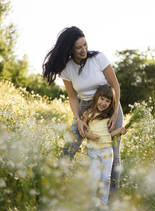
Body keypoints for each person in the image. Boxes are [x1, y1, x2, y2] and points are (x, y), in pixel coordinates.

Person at [42, 26, 123, 192]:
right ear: (70, 49)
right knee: (69, 147)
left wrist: (114, 113)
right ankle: (53, 190)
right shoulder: (67, 69)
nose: (83, 50)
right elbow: (72, 97)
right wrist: (78, 119)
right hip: (86, 107)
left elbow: (115, 85)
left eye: (85, 44)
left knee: (113, 152)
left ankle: (112, 200)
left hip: (109, 105)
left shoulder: (99, 58)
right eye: (78, 47)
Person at [81, 84, 126, 204]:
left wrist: (119, 130)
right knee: (94, 177)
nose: (103, 103)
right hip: (93, 151)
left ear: (111, 104)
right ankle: (90, 204)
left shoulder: (108, 117)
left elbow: (109, 135)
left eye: (107, 101)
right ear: (96, 98)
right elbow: (83, 131)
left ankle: (102, 204)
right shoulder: (88, 113)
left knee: (106, 178)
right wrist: (89, 135)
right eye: (102, 99)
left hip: (107, 150)